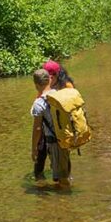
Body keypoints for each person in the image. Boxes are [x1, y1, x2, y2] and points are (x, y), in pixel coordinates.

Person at [30, 61, 76, 189]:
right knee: (63, 173)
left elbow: (38, 129)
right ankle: (61, 201)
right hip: (64, 138)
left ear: (36, 84)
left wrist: (34, 148)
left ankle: (65, 201)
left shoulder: (39, 103)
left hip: (54, 142)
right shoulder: (59, 93)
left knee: (62, 179)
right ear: (49, 80)